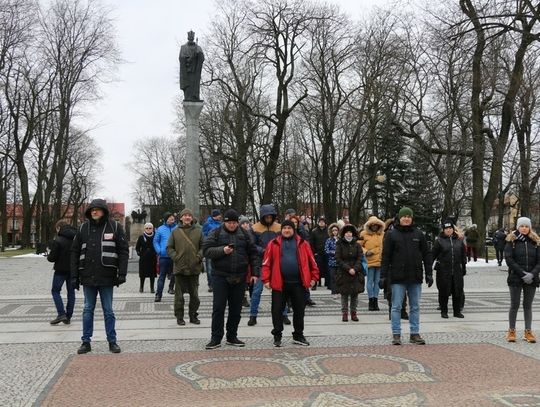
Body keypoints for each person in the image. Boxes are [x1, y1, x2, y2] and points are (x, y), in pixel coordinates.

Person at [70, 199, 129, 354]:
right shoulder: (83, 228)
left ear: (104, 211)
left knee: (108, 310)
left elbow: (123, 251)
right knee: (88, 309)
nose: (94, 212)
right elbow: (74, 252)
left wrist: (122, 273)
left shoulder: (115, 227)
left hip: (107, 276)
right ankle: (85, 342)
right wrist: (74, 276)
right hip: (87, 276)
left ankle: (112, 341)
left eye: (97, 209)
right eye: (91, 210)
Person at [203, 209, 260, 349]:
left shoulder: (245, 234)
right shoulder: (215, 232)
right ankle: (215, 338)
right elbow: (206, 251)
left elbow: (253, 254)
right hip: (220, 276)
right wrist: (222, 250)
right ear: (225, 222)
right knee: (218, 308)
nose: (232, 225)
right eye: (229, 222)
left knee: (236, 309)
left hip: (239, 277)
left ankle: (232, 336)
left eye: (235, 223)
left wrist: (255, 273)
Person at [262, 220, 319, 347]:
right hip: (279, 283)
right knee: (277, 311)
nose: (286, 230)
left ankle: (298, 335)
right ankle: (277, 335)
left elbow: (312, 262)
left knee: (299, 310)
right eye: (284, 228)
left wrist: (314, 277)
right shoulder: (273, 243)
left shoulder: (303, 244)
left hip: (298, 283)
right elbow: (266, 263)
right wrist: (266, 280)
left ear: (293, 230)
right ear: (281, 230)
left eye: (289, 228)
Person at [380, 207, 433, 345]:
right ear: (399, 218)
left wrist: (429, 273)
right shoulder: (391, 235)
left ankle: (414, 333)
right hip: (398, 277)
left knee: (415, 306)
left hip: (415, 276)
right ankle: (396, 334)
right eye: (404, 216)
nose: (406, 219)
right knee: (396, 306)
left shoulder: (419, 234)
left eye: (409, 216)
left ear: (412, 218)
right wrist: (383, 275)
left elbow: (427, 255)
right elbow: (385, 256)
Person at [504, 217, 540, 343]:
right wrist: (522, 273)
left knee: (527, 306)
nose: (524, 228)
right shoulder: (511, 240)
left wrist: (532, 274)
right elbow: (509, 259)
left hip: (531, 278)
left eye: (526, 226)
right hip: (515, 277)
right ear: (518, 227)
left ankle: (528, 331)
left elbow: (539, 261)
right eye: (522, 226)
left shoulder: (535, 241)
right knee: (515, 305)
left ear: (529, 227)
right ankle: (512, 330)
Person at [167, 208, 203, 326]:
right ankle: (179, 317)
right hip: (180, 268)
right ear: (181, 218)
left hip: (194, 267)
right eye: (185, 215)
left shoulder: (199, 231)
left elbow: (204, 246)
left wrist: (198, 257)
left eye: (189, 215)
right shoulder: (175, 232)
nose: (187, 217)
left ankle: (193, 315)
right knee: (179, 296)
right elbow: (169, 247)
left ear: (192, 218)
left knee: (195, 295)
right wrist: (176, 257)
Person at [248, 204, 282, 326]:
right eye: (266, 217)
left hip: (276, 262)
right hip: (261, 262)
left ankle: (283, 314)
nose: (268, 219)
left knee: (279, 290)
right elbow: (251, 245)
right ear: (262, 216)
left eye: (270, 216)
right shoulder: (255, 228)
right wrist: (265, 251)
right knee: (257, 291)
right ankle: (253, 315)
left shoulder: (279, 227)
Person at [432, 219, 467, 319]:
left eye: (450, 228)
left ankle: (457, 311)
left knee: (457, 291)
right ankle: (444, 311)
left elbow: (463, 255)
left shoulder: (459, 240)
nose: (448, 230)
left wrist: (463, 267)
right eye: (446, 228)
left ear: (453, 229)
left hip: (456, 271)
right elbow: (433, 255)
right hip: (443, 271)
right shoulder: (439, 241)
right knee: (443, 292)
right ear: (443, 230)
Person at [47, 220, 76, 325]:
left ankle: (61, 314)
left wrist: (49, 255)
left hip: (60, 270)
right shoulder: (76, 238)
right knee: (71, 293)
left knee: (55, 291)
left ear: (59, 228)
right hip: (73, 270)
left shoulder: (58, 240)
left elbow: (52, 258)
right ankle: (68, 317)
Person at [335, 224, 365, 322]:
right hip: (343, 272)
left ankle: (354, 313)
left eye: (350, 232)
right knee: (344, 294)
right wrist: (348, 269)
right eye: (347, 232)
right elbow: (338, 258)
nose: (348, 234)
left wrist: (355, 269)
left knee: (354, 295)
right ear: (344, 234)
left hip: (356, 272)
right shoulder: (339, 244)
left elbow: (360, 258)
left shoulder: (357, 244)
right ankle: (344, 313)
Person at [359, 216, 385, 311]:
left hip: (380, 261)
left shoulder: (383, 234)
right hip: (369, 261)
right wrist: (366, 251)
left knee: (377, 282)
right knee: (370, 281)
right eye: (372, 225)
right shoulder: (363, 234)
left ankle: (376, 300)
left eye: (376, 225)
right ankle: (370, 300)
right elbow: (358, 245)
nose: (374, 226)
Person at [153, 212, 177, 302]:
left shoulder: (177, 228)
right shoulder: (160, 229)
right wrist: (159, 251)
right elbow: (155, 241)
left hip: (175, 255)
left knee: (175, 275)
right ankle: (158, 295)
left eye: (172, 217)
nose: (172, 218)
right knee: (162, 276)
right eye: (170, 217)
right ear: (166, 219)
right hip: (164, 256)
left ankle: (172, 289)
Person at [179, 30, 204, 101]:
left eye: (192, 36)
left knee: (195, 85)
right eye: (190, 36)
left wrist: (198, 54)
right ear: (188, 37)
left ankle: (195, 96)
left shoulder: (198, 47)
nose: (191, 37)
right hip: (187, 72)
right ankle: (188, 97)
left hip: (195, 71)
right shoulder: (183, 47)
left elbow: (202, 58)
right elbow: (181, 58)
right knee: (188, 87)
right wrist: (189, 59)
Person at [202, 209, 222, 292]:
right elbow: (204, 235)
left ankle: (218, 284)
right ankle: (211, 285)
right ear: (215, 216)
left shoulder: (221, 224)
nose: (220, 216)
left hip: (219, 248)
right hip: (210, 248)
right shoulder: (207, 224)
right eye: (219, 215)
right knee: (209, 268)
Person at [135, 222, 157, 293]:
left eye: (150, 228)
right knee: (142, 274)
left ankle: (152, 288)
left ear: (152, 229)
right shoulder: (141, 237)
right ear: (144, 229)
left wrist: (157, 252)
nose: (148, 229)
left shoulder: (155, 236)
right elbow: (137, 247)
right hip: (143, 259)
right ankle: (141, 287)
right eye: (147, 228)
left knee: (152, 274)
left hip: (152, 258)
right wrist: (139, 253)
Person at [310, 216, 329, 289]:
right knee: (317, 268)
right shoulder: (314, 231)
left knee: (326, 268)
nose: (321, 223)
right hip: (317, 253)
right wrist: (314, 252)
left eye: (323, 222)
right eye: (320, 222)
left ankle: (328, 283)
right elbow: (311, 242)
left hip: (326, 253)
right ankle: (315, 283)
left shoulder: (328, 231)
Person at [324, 223, 340, 296]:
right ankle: (334, 292)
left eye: (336, 230)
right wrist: (333, 252)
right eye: (333, 230)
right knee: (333, 277)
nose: (335, 232)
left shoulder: (340, 240)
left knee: (339, 277)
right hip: (332, 262)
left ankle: (339, 291)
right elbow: (326, 250)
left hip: (340, 262)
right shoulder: (329, 240)